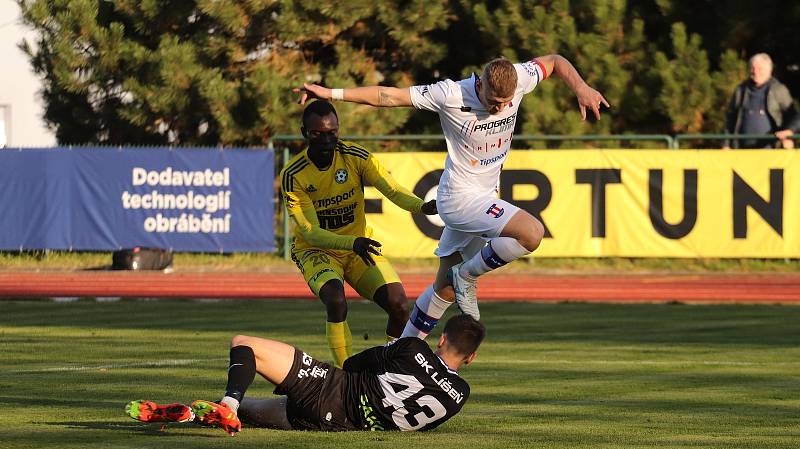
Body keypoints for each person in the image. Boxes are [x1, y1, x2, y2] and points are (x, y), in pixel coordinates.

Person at [296, 55, 608, 338]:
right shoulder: (451, 94)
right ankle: (468, 274)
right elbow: (388, 96)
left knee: (443, 290)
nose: (499, 108)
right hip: (459, 198)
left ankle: (400, 354)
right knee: (532, 233)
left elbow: (553, 61)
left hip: (484, 194)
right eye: (493, 100)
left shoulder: (519, 76)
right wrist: (330, 93)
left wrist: (581, 87)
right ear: (480, 83)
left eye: (506, 102)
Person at [125, 314, 485, 434]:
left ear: (442, 339)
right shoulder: (460, 396)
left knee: (244, 343)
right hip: (331, 422)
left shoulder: (413, 349)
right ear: (470, 358)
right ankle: (198, 412)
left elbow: (353, 365)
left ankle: (229, 404)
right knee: (255, 412)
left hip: (330, 388)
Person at [279, 100, 436, 368]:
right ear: (304, 132)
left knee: (399, 304)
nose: (327, 140)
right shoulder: (293, 175)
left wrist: (422, 206)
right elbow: (311, 232)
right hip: (317, 252)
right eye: (318, 134)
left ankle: (389, 366)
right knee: (336, 300)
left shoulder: (356, 157)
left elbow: (393, 189)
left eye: (332, 132)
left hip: (356, 249)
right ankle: (345, 374)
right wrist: (353, 242)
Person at [723, 53, 800, 149]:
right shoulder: (741, 90)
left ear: (769, 70)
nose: (755, 72)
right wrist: (726, 144)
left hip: (771, 151)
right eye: (752, 68)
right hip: (742, 152)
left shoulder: (778, 90)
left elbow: (794, 116)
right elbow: (730, 118)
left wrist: (789, 132)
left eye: (760, 69)